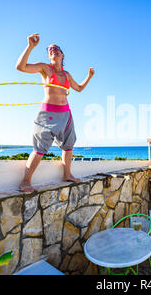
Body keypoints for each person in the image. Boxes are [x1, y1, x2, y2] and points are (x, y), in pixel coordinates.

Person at [16, 33, 94, 192]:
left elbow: (78, 88)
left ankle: (67, 174)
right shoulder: (45, 68)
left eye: (57, 48)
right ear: (48, 55)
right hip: (48, 114)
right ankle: (25, 181)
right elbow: (21, 67)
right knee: (40, 149)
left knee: (68, 146)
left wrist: (89, 76)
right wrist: (30, 46)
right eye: (50, 49)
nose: (53, 50)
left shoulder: (67, 75)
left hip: (66, 114)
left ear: (62, 55)